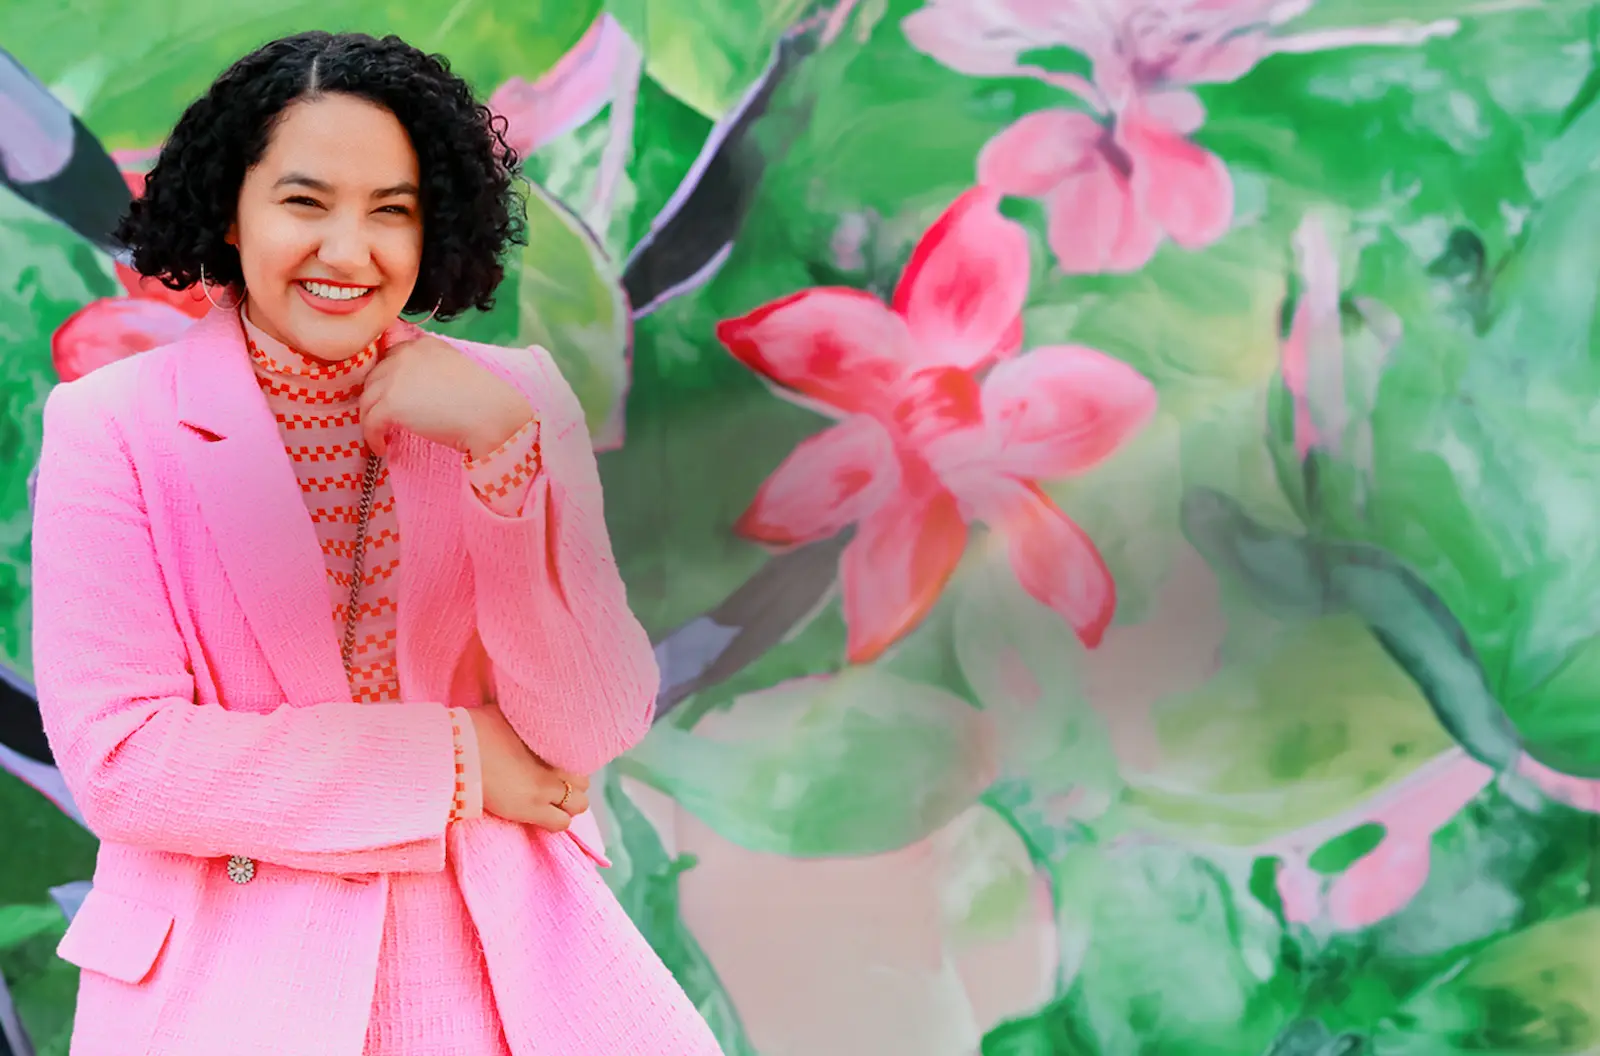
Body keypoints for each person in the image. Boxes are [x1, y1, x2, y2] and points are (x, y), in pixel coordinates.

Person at [29, 31, 725, 1056]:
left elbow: (590, 725)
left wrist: (502, 459)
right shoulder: (113, 424)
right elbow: (125, 760)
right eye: (304, 202)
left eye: (390, 211)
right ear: (230, 206)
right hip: (232, 988)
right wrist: (452, 760)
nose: (348, 252)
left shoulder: (516, 400)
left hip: (494, 981)